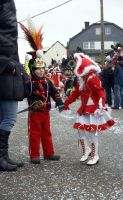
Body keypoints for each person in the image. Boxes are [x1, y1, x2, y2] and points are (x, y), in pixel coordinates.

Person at [62, 53, 115, 165]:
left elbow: (101, 92)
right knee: (80, 129)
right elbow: (75, 93)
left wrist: (101, 105)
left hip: (94, 110)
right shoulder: (81, 80)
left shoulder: (92, 79)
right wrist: (66, 103)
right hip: (84, 109)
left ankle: (95, 155)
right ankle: (87, 150)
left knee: (92, 132)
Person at [0, 0, 29, 171]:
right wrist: (10, 65)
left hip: (7, 81)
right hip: (6, 82)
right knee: (9, 119)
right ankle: (2, 156)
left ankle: (3, 156)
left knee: (4, 119)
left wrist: (21, 70)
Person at [27, 54, 64, 164]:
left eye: (42, 68)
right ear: (33, 70)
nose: (41, 71)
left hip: (46, 113)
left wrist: (60, 103)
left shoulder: (48, 81)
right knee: (34, 134)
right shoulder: (29, 83)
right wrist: (32, 105)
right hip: (35, 113)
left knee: (47, 133)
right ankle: (34, 155)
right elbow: (23, 94)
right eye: (38, 69)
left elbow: (55, 93)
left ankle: (48, 153)